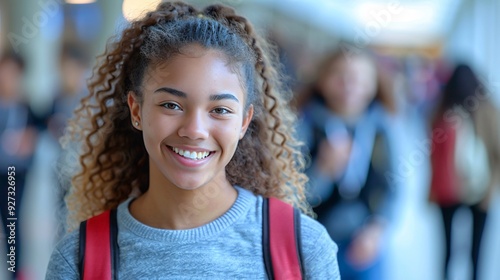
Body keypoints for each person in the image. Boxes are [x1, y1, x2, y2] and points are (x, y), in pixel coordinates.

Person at [45, 2, 340, 279]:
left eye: (220, 110)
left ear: (244, 122)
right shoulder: (78, 260)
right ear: (136, 110)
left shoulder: (304, 249)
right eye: (171, 105)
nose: (195, 130)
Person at [295, 46, 401, 280]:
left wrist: (377, 229)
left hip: (364, 244)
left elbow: (393, 186)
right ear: (322, 80)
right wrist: (322, 171)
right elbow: (290, 197)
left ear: (374, 84)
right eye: (340, 76)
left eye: (360, 78)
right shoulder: (303, 125)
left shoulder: (381, 129)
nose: (349, 86)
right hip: (312, 244)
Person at [428, 64, 500, 280]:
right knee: (469, 249)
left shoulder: (442, 110)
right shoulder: (443, 111)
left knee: (457, 248)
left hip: (476, 190)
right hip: (457, 190)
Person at [0, 51, 40, 280]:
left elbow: (40, 129)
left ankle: (15, 273)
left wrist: (29, 139)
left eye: (14, 72)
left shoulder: (25, 104)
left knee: (12, 225)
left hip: (15, 174)